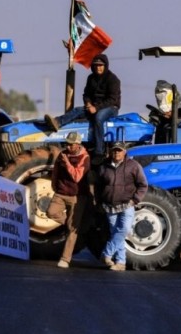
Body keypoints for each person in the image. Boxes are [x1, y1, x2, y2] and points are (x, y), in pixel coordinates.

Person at [44, 53, 121, 160]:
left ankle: (99, 150)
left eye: (100, 65)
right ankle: (57, 122)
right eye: (96, 65)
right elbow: (86, 94)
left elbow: (112, 100)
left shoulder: (113, 79)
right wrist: (88, 104)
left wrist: (96, 108)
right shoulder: (91, 78)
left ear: (105, 66)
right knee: (77, 110)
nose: (98, 67)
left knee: (98, 117)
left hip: (111, 107)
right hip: (93, 106)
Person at [94, 141, 148, 271]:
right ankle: (121, 263)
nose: (116, 153)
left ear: (124, 152)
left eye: (119, 150)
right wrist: (99, 201)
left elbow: (143, 185)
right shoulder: (104, 167)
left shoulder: (134, 166)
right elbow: (98, 186)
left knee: (123, 230)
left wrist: (134, 200)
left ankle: (106, 254)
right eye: (114, 150)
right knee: (116, 234)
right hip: (110, 206)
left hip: (127, 204)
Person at [46, 132, 91, 269]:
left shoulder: (85, 157)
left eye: (71, 144)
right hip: (61, 192)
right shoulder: (62, 154)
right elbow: (56, 171)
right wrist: (54, 184)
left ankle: (65, 259)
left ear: (78, 144)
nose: (68, 146)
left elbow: (77, 177)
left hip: (76, 196)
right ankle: (71, 224)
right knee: (51, 212)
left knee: (72, 230)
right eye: (67, 143)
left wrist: (67, 164)